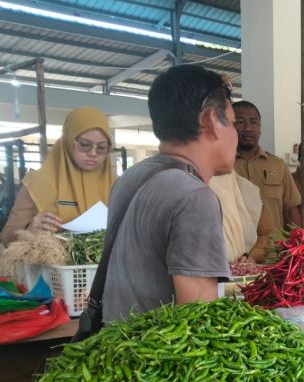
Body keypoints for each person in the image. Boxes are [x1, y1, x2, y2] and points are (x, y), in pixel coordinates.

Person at [101, 65, 237, 323]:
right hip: (154, 359)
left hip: (117, 352)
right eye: (231, 122)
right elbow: (197, 321)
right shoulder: (194, 196)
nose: (236, 135)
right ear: (210, 121)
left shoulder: (130, 178)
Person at [1, 106, 116, 246]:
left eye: (102, 147)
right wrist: (30, 230)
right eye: (85, 145)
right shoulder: (38, 183)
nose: (93, 153)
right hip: (52, 265)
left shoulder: (117, 185)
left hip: (108, 266)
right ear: (68, 140)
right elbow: (7, 237)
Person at [232, 100, 302, 262]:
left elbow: (291, 210)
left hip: (274, 256)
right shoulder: (221, 166)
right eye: (240, 122)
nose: (248, 128)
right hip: (236, 258)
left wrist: (298, 250)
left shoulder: (277, 165)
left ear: (260, 127)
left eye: (254, 122)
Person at [209, 172, 262, 262]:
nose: (233, 157)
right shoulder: (196, 186)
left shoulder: (246, 188)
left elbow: (267, 232)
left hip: (239, 270)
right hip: (206, 270)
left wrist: (249, 257)